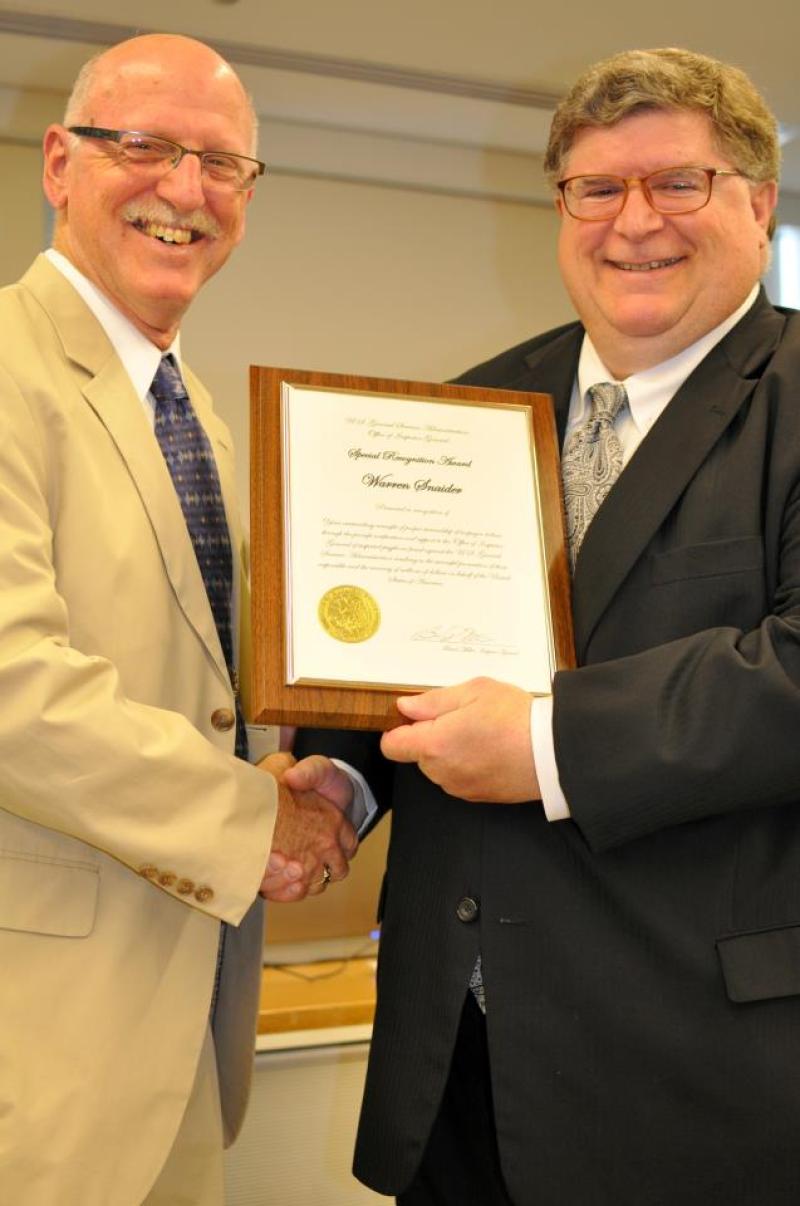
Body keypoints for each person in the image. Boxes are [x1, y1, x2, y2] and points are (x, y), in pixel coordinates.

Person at [288, 47, 800, 1205]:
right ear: (560, 207)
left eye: (677, 183)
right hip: (455, 1069)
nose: (633, 223)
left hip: (694, 1077)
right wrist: (340, 777)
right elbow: (412, 653)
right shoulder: (469, 406)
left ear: (757, 202)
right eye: (595, 188)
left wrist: (547, 744)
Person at [0, 33, 357, 1206]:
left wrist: (305, 770)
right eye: (144, 147)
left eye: (222, 165)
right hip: (42, 1043)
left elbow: (194, 691)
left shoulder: (190, 404)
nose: (184, 191)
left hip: (186, 1025)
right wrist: (253, 812)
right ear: (60, 162)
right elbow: (16, 692)